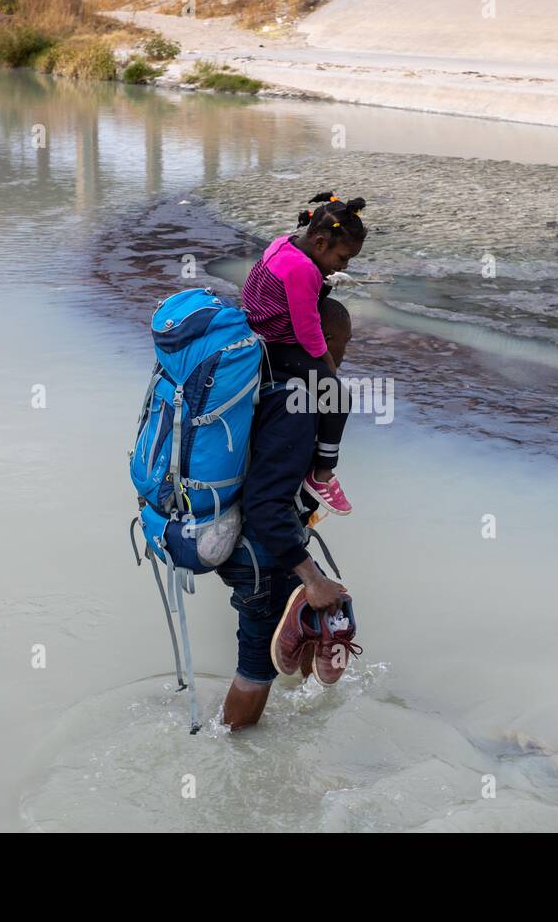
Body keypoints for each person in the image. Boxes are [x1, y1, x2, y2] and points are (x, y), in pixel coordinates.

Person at [216, 297, 360, 730]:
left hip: (241, 538)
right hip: (259, 552)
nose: (346, 354)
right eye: (346, 343)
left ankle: (306, 652)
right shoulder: (297, 404)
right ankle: (235, 753)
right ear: (325, 339)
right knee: (255, 667)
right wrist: (311, 578)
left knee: (280, 639)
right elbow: (266, 505)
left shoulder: (266, 375)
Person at [239, 193, 367, 516]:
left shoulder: (285, 243)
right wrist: (326, 363)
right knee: (337, 396)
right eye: (343, 258)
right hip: (273, 346)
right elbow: (307, 328)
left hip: (254, 330)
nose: (344, 266)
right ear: (321, 244)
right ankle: (322, 474)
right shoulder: (303, 271)